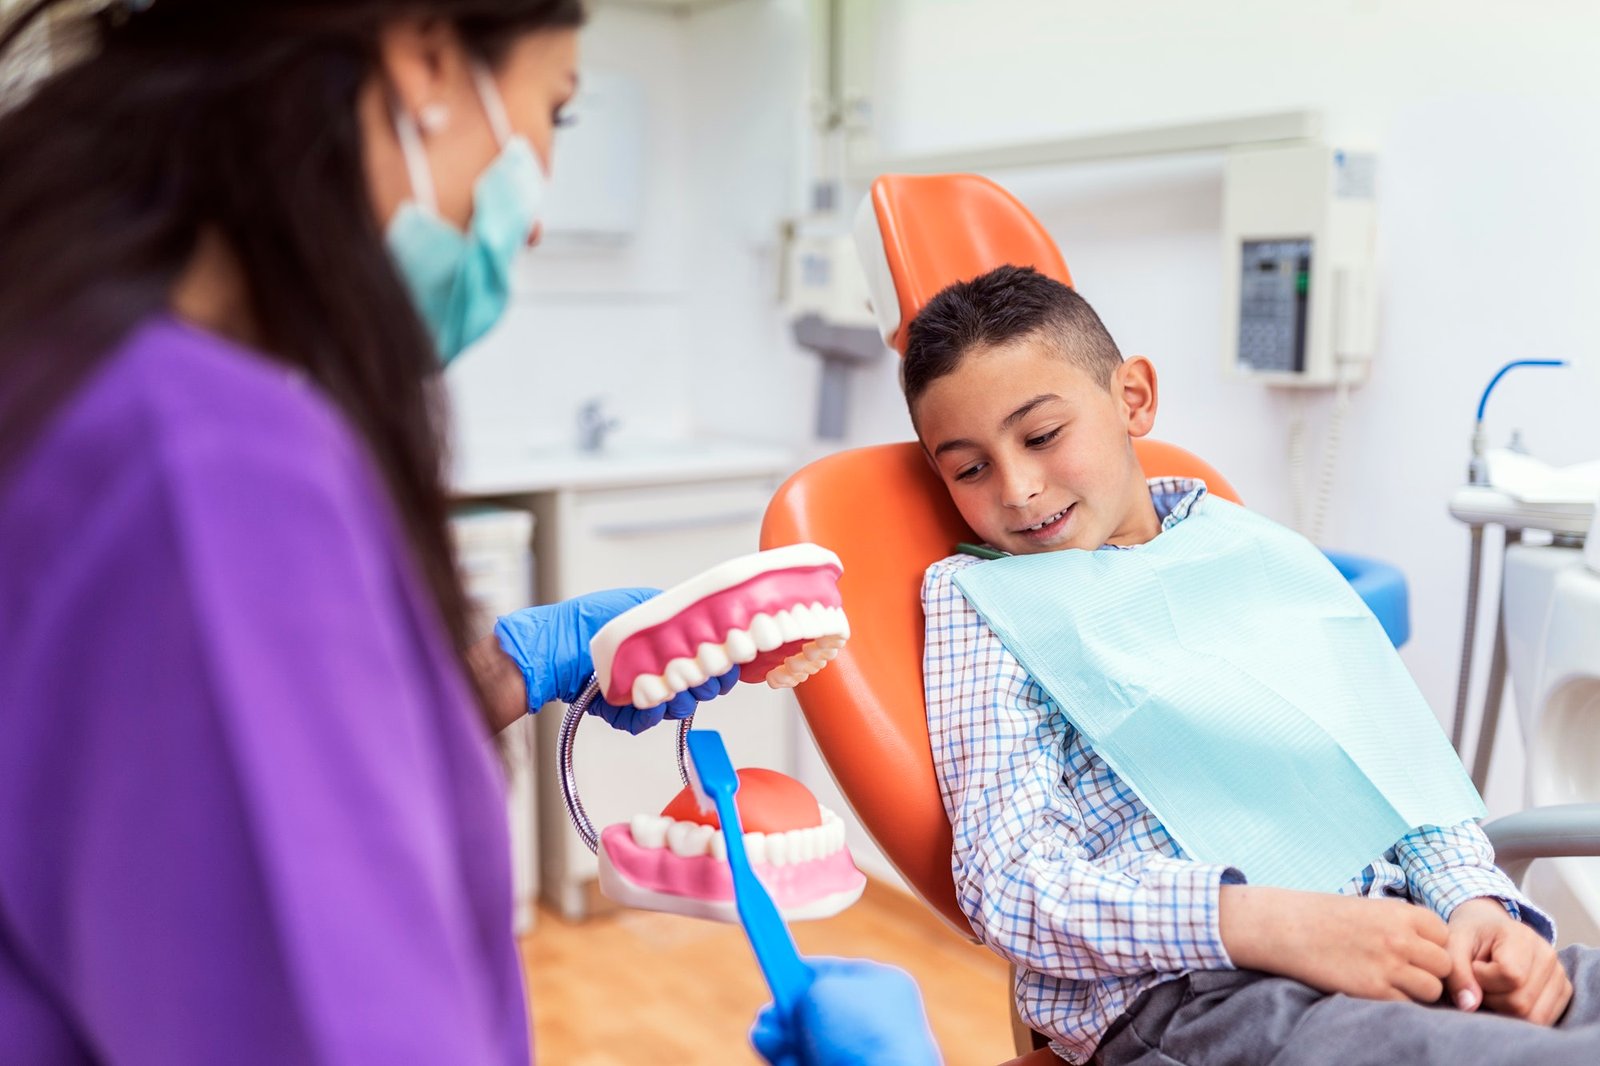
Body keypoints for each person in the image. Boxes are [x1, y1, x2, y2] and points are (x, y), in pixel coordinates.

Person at [0, 1, 932, 1061]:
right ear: (427, 58)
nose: (532, 218)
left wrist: (518, 665)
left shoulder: (59, 374)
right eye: (553, 113)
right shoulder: (206, 464)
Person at [902, 264, 1600, 1064]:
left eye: (1042, 436)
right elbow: (1014, 887)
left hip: (1408, 937)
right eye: (968, 468)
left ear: (1133, 398)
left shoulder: (1243, 544)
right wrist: (1279, 925)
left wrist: (1479, 907)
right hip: (1208, 995)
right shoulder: (982, 602)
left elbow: (1396, 773)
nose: (1018, 489)